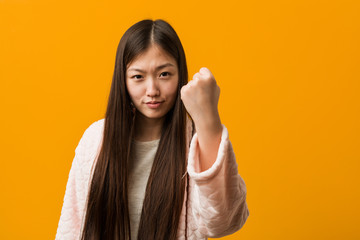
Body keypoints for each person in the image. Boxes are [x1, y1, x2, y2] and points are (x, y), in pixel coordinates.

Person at [55, 19, 249, 240]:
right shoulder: (95, 139)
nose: (152, 90)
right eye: (138, 77)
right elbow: (71, 229)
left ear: (180, 74)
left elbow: (224, 222)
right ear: (123, 81)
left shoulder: (196, 141)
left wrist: (209, 121)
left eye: (164, 74)